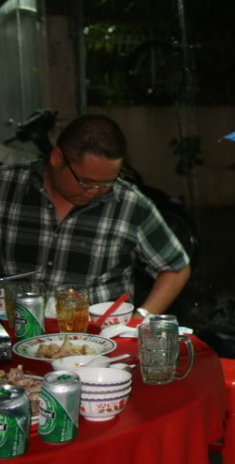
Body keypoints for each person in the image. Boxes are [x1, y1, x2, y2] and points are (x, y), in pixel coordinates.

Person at [0, 114, 191, 321]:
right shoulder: (7, 186)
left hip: (97, 339)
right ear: (57, 158)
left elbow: (176, 268)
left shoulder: (128, 203)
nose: (96, 191)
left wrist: (140, 319)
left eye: (107, 183)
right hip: (18, 329)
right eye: (86, 182)